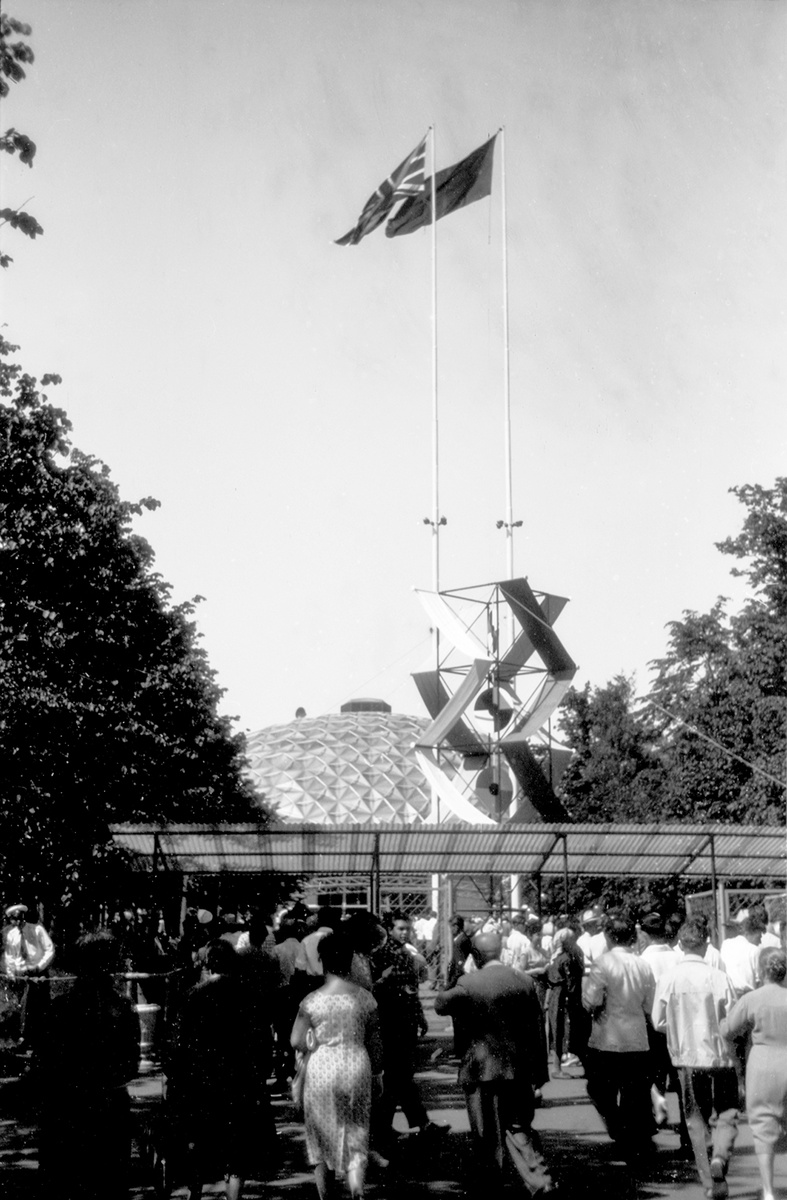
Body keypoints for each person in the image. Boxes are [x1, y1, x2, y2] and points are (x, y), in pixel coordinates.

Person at [434, 931, 554, 1192]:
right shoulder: (524, 980)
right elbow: (537, 1030)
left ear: (476, 956)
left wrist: (454, 976)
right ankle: (540, 1181)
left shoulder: (468, 982)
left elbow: (440, 1005)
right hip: (518, 1069)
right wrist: (540, 1074)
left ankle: (490, 1187)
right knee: (519, 1128)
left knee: (486, 1134)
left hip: (481, 1069)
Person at [34, 929, 139, 1200]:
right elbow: (131, 1066)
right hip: (109, 1111)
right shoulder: (123, 1009)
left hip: (67, 1112)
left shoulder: (58, 1009)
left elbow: (42, 1066)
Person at [167, 938, 274, 1200]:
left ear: (208, 964)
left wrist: (176, 1077)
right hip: (240, 1082)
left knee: (198, 1142)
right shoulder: (249, 995)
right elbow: (262, 1042)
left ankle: (195, 1192)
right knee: (236, 1151)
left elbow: (177, 1045)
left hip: (200, 1083)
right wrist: (260, 1075)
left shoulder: (193, 996)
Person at [291, 931, 383, 1199]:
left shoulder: (311, 1001)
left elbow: (296, 1040)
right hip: (356, 1066)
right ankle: (357, 1192)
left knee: (321, 1138)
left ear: (322, 961)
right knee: (356, 1133)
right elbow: (376, 1042)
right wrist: (378, 1074)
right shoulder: (365, 998)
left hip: (322, 1070)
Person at [652, 917, 739, 1200]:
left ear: (680, 944)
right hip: (719, 1055)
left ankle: (709, 1182)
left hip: (686, 1057)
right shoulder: (719, 977)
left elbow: (658, 1022)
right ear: (705, 944)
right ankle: (720, 1157)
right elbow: (733, 1021)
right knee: (727, 1111)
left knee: (695, 1118)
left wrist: (678, 1028)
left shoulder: (669, 979)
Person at [581, 910, 656, 1164]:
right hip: (636, 1037)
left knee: (599, 1089)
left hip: (607, 1037)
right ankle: (630, 1139)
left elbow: (591, 1000)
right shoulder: (643, 965)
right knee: (633, 1093)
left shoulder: (603, 963)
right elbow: (649, 1005)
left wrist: (594, 1003)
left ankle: (618, 1129)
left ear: (608, 937)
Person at [370, 911, 444, 1152]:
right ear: (390, 930)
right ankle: (408, 1126)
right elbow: (376, 989)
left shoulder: (407, 953)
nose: (404, 932)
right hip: (392, 1022)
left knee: (399, 1077)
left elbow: (412, 988)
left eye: (407, 928)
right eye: (400, 928)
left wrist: (419, 1014)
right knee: (398, 1076)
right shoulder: (382, 955)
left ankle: (389, 1127)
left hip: (406, 1021)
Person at [721, 947, 787, 1200]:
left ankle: (768, 1190)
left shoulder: (752, 999)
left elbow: (728, 1030)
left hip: (763, 1065)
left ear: (761, 971)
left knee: (762, 1126)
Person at [2, 901, 55, 1050]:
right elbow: (10, 956)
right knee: (24, 1006)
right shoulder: (12, 935)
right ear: (11, 920)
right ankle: (26, 1038)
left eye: (20, 918)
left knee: (39, 1005)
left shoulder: (37, 930)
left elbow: (49, 949)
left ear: (24, 917)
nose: (18, 922)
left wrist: (39, 966)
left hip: (38, 973)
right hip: (22, 975)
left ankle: (35, 1039)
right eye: (14, 920)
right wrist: (11, 973)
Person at [546, 925, 588, 1077]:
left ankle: (558, 1066)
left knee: (558, 1031)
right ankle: (557, 1068)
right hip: (564, 997)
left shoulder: (557, 957)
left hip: (556, 996)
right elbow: (571, 983)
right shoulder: (568, 958)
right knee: (565, 1031)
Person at [720, 911, 765, 997]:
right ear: (749, 933)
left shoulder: (726, 944)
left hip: (729, 995)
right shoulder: (755, 950)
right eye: (758, 937)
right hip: (749, 996)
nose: (760, 942)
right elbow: (759, 981)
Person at [446, 914, 473, 989]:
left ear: (456, 927)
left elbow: (459, 967)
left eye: (451, 927)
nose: (450, 930)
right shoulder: (462, 938)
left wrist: (449, 986)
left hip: (458, 981)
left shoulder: (460, 942)